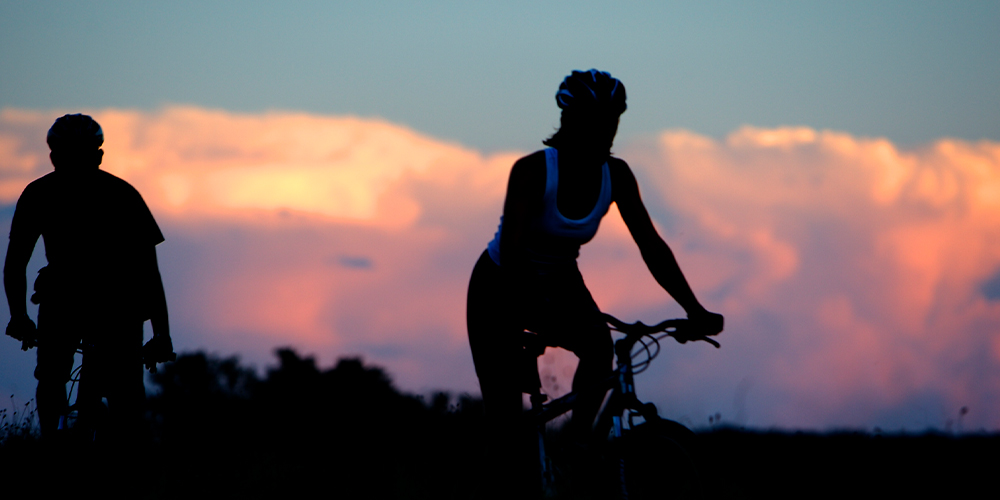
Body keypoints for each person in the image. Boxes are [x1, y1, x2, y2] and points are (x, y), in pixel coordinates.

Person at [466, 70, 724, 495]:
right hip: (500, 285)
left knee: (600, 347)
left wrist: (693, 309)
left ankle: (577, 446)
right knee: (506, 425)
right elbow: (513, 256)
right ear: (569, 120)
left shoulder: (616, 175)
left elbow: (652, 248)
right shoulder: (532, 172)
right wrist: (534, 319)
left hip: (561, 277)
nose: (605, 131)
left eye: (612, 120)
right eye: (594, 119)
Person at [4, 114, 174, 443]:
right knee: (66, 380)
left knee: (62, 380)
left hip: (102, 304)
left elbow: (15, 264)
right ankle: (60, 438)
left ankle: (57, 438)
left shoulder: (42, 193)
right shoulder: (121, 193)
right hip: (93, 302)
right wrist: (161, 335)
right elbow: (149, 274)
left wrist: (19, 316)